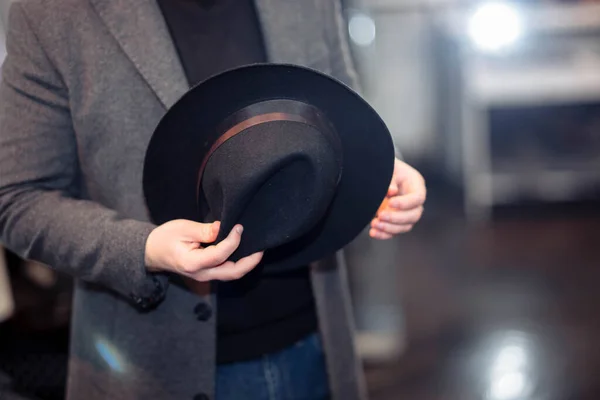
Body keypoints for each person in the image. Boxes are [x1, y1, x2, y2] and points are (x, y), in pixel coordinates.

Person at [0, 0, 426, 399]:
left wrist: (385, 165)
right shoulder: (53, 13)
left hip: (317, 346)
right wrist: (144, 250)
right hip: (152, 366)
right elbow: (17, 197)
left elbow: (340, 104)